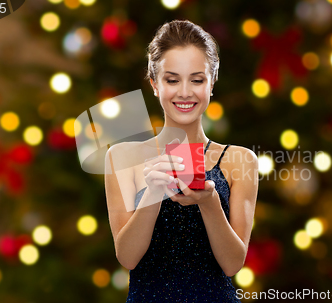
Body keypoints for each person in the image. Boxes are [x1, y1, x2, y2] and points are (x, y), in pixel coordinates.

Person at [104, 19, 259, 302]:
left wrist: (209, 201)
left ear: (212, 84)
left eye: (197, 80)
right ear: (154, 84)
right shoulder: (121, 157)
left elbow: (232, 263)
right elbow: (127, 257)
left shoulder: (239, 160)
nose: (185, 92)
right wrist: (153, 192)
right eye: (172, 79)